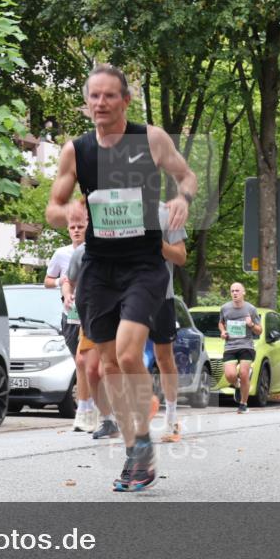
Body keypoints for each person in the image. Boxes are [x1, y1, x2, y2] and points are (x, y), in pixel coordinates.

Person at [45, 63, 197, 492]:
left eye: (109, 95)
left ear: (125, 101)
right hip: (99, 268)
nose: (101, 103)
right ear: (86, 103)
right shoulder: (77, 151)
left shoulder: (151, 139)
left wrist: (182, 199)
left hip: (144, 264)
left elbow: (186, 175)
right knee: (108, 364)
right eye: (94, 96)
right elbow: (52, 209)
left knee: (130, 356)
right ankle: (137, 448)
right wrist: (68, 210)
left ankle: (142, 438)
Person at [62, 242, 119, 441]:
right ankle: (108, 420)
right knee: (91, 370)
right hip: (91, 317)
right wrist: (67, 294)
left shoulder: (122, 246)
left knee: (107, 369)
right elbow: (68, 280)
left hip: (117, 315)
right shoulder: (81, 252)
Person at [44, 212, 94, 432]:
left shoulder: (95, 251)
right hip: (71, 314)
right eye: (72, 227)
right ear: (68, 230)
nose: (76, 231)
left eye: (80, 227)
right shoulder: (61, 253)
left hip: (93, 312)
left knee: (89, 362)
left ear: (87, 227)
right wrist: (61, 284)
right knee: (79, 362)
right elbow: (47, 280)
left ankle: (89, 409)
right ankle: (86, 408)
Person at [151, 203, 188, 442]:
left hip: (160, 296)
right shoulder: (116, 208)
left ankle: (172, 418)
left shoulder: (166, 212)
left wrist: (156, 242)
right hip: (125, 294)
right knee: (122, 354)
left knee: (164, 358)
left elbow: (181, 256)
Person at [219, 283, 262, 414]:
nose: (235, 293)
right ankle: (238, 384)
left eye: (237, 290)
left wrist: (251, 324)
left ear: (243, 292)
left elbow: (259, 331)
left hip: (246, 345)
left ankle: (243, 404)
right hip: (230, 346)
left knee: (243, 374)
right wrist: (223, 332)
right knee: (230, 375)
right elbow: (221, 323)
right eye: (232, 291)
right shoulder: (225, 308)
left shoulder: (251, 309)